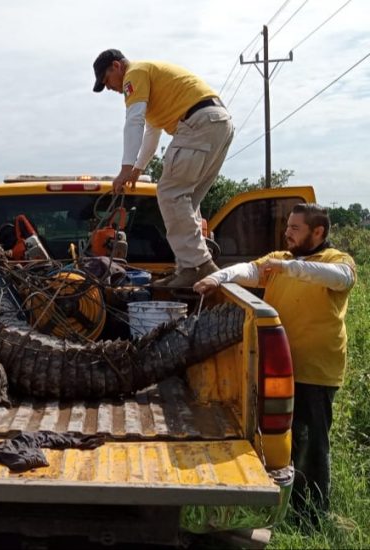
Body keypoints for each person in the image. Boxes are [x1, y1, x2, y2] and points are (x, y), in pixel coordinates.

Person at [193, 203, 355, 521]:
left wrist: (290, 268)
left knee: (310, 444)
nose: (287, 233)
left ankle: (311, 515)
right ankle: (275, 503)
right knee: (276, 440)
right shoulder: (279, 259)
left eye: (295, 228)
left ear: (318, 232)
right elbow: (249, 271)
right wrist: (217, 278)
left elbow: (340, 279)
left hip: (314, 371)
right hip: (273, 368)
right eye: (288, 227)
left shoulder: (338, 261)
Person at [92, 49, 235, 287]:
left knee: (170, 193)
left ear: (116, 66)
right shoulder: (150, 79)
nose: (109, 88)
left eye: (106, 81)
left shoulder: (134, 74)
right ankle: (189, 268)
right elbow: (152, 131)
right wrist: (139, 167)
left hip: (197, 123)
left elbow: (134, 120)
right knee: (185, 201)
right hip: (218, 123)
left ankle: (198, 266)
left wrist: (125, 168)